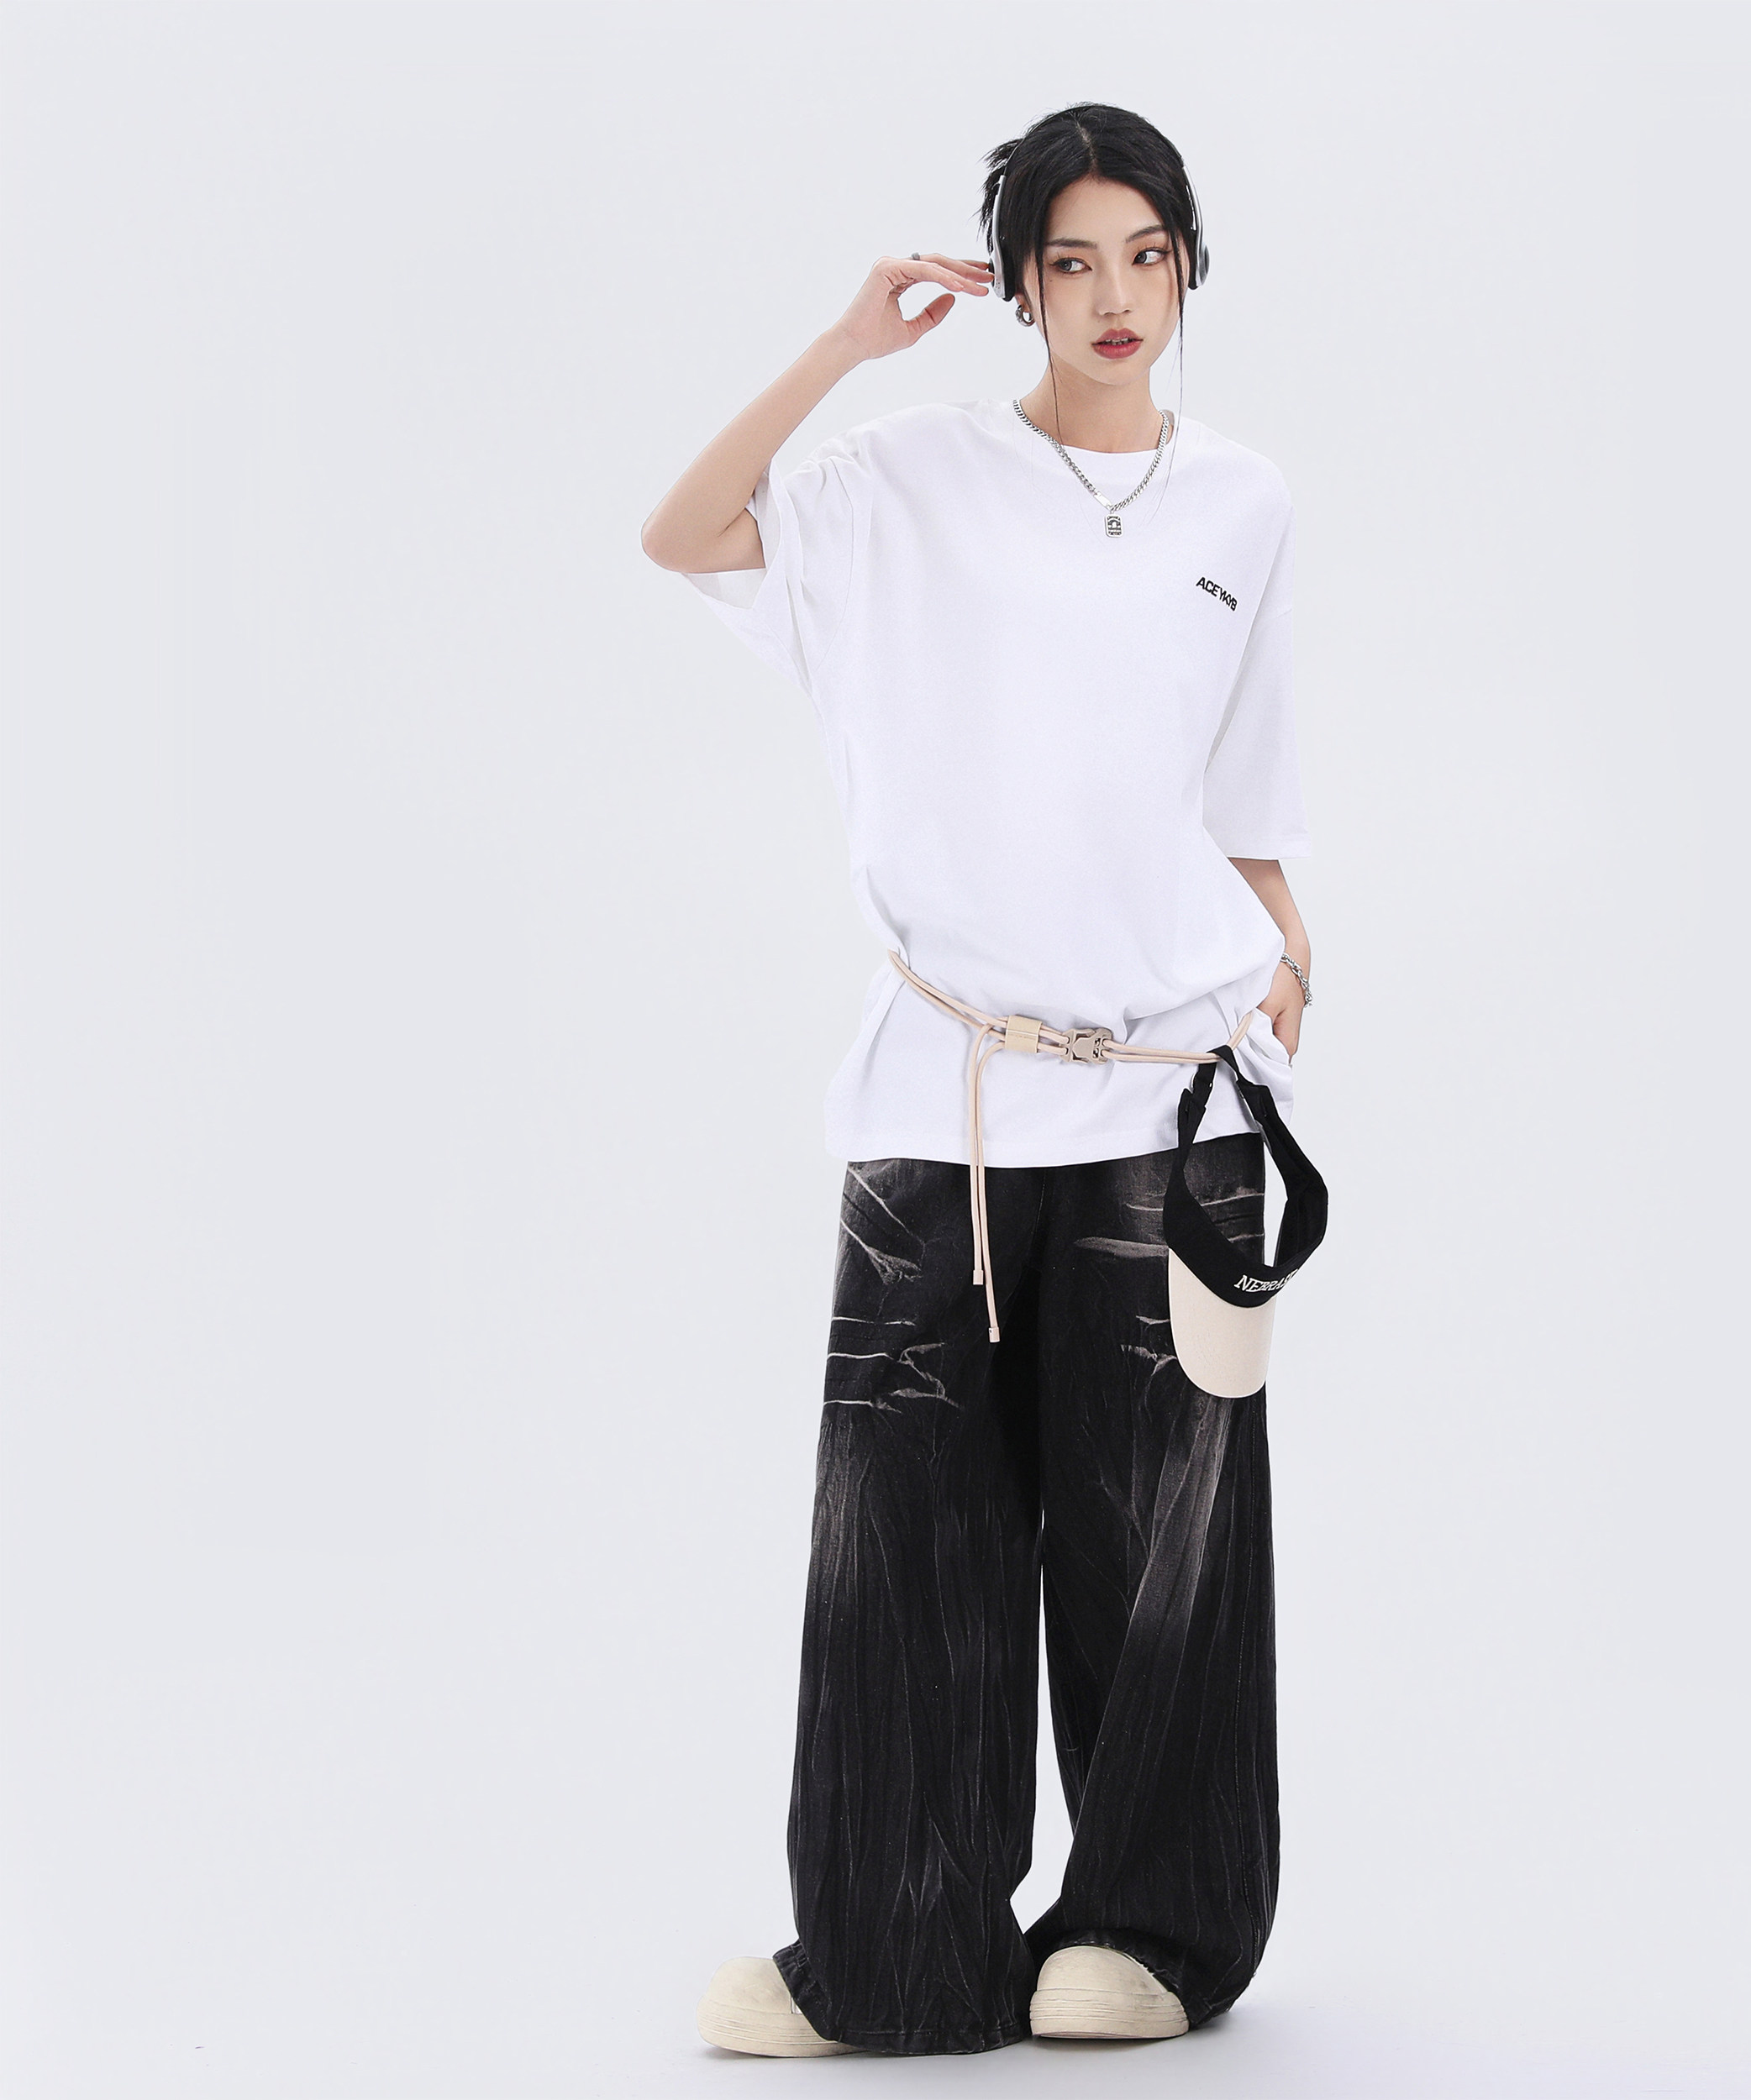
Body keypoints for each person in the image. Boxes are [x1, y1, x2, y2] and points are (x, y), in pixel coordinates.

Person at [640, 102, 1316, 2058]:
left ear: (1186, 265)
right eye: (1072, 260)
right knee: (903, 1534)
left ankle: (1153, 1930)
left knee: (1162, 1537)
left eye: (1145, 255)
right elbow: (684, 533)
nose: (1114, 296)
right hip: (936, 1090)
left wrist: (1289, 956)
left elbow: (1244, 790)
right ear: (1018, 280)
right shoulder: (904, 479)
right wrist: (842, 344)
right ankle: (894, 1945)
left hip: (1170, 1091)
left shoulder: (1242, 503)